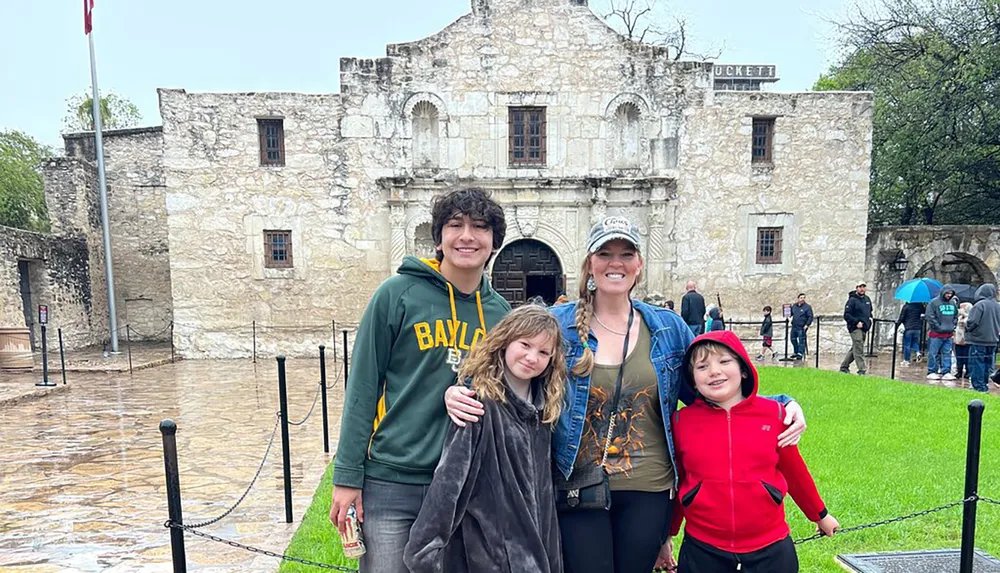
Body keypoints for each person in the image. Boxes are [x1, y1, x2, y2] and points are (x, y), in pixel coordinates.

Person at [445, 216, 808, 573]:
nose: (615, 263)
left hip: (648, 488)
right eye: (604, 254)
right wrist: (460, 391)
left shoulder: (668, 327)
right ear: (590, 264)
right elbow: (503, 364)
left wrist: (781, 405)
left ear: (639, 265)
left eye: (626, 254)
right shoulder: (557, 322)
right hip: (575, 483)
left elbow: (711, 392)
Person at [329, 188, 511, 573]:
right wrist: (347, 477)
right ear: (438, 236)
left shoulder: (501, 315)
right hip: (393, 481)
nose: (467, 236)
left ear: (494, 241)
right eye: (455, 225)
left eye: (480, 227)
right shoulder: (397, 295)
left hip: (464, 485)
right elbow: (362, 387)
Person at [403, 305, 565, 573]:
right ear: (505, 341)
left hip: (539, 556)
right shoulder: (478, 405)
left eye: (544, 352)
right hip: (491, 556)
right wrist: (424, 553)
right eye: (525, 344)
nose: (532, 357)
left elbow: (544, 498)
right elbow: (449, 484)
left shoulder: (543, 411)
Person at [664, 331, 839, 572]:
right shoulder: (681, 422)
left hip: (770, 544)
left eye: (724, 362)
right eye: (702, 366)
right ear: (692, 380)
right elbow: (679, 480)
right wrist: (669, 533)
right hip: (704, 546)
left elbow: (795, 471)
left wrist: (820, 515)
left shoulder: (776, 415)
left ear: (743, 368)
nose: (714, 371)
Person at [965, 284, 1000, 393]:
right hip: (993, 340)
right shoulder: (997, 306)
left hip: (978, 339)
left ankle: (978, 387)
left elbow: (972, 322)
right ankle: (984, 384)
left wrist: (967, 327)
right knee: (988, 364)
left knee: (977, 364)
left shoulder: (980, 305)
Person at [925, 285, 959, 383]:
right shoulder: (934, 303)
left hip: (948, 334)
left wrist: (953, 325)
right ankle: (932, 370)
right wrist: (938, 327)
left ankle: (946, 371)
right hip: (936, 334)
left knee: (947, 353)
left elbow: (956, 315)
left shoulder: (953, 303)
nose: (949, 295)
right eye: (947, 293)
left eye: (950, 294)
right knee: (933, 353)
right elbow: (930, 316)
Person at [840, 282, 873, 376]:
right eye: (860, 287)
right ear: (857, 288)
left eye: (863, 287)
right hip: (854, 328)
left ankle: (844, 366)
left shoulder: (867, 299)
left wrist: (869, 322)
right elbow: (847, 315)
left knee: (855, 347)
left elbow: (870, 312)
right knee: (859, 346)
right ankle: (862, 369)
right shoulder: (852, 300)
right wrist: (856, 322)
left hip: (864, 327)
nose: (862, 289)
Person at [896, 301, 926, 368]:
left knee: (907, 344)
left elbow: (901, 318)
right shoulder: (920, 306)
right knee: (915, 342)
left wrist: (896, 326)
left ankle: (907, 360)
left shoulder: (906, 307)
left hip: (908, 328)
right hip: (918, 328)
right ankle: (917, 352)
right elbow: (923, 315)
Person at [790, 294, 814, 360]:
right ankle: (796, 351)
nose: (802, 299)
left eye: (803, 298)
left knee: (801, 341)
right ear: (798, 299)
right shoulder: (794, 306)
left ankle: (800, 353)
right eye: (801, 298)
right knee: (793, 339)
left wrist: (807, 325)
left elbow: (810, 316)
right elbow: (791, 313)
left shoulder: (807, 307)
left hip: (801, 327)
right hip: (794, 326)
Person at [953, 302, 972, 380]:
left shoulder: (970, 318)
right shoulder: (959, 317)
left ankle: (968, 372)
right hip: (958, 340)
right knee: (959, 357)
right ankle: (959, 371)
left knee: (966, 357)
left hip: (966, 340)